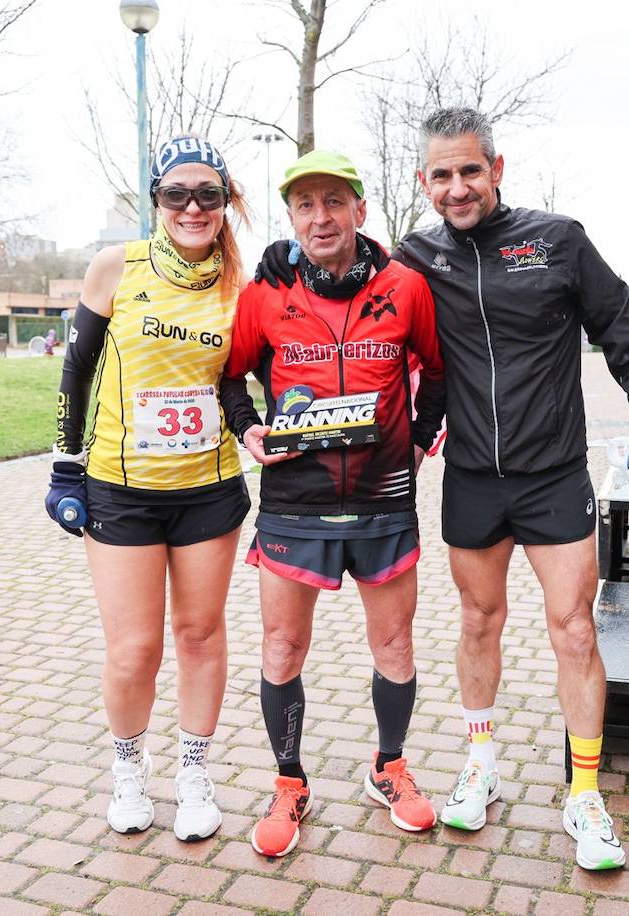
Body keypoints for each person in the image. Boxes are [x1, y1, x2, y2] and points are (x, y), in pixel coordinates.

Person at [255, 107, 629, 872]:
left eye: (470, 171)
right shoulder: (417, 257)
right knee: (479, 623)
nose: (457, 187)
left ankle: (584, 795)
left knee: (575, 629)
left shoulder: (558, 240)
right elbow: (351, 258)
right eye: (441, 175)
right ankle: (480, 764)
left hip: (553, 475)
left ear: (498, 169)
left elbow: (619, 325)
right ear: (423, 182)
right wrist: (283, 255)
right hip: (473, 477)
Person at [220, 149, 445, 857]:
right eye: (305, 205)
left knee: (396, 645)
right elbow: (232, 381)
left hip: (384, 504)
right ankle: (289, 782)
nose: (320, 217)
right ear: (292, 217)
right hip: (295, 504)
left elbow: (436, 375)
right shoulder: (264, 292)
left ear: (360, 209)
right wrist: (247, 430)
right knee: (283, 648)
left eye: (333, 202)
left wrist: (417, 446)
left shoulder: (407, 287)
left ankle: (390, 766)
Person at [43, 136, 252, 842]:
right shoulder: (115, 268)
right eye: (176, 194)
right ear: (155, 199)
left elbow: (238, 382)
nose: (193, 208)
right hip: (121, 488)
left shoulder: (240, 282)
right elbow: (75, 371)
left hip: (209, 487)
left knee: (199, 635)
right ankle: (129, 769)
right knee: (134, 648)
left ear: (226, 202)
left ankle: (194, 772)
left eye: (209, 195)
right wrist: (64, 461)